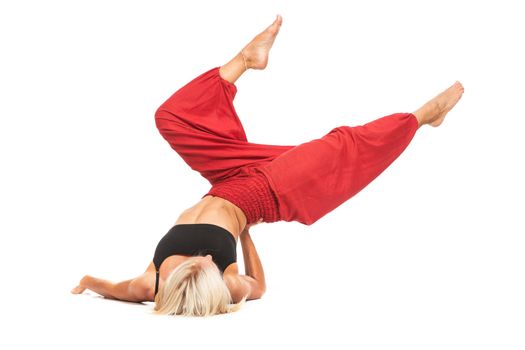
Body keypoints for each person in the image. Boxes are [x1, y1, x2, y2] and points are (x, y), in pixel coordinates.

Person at [71, 14, 465, 317]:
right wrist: (245, 233)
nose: (208, 258)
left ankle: (247, 58)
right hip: (268, 190)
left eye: (199, 263)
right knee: (343, 145)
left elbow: (101, 285)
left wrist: (83, 283)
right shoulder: (227, 284)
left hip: (228, 175)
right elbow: (258, 287)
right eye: (213, 265)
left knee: (171, 118)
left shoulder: (147, 285)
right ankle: (423, 116)